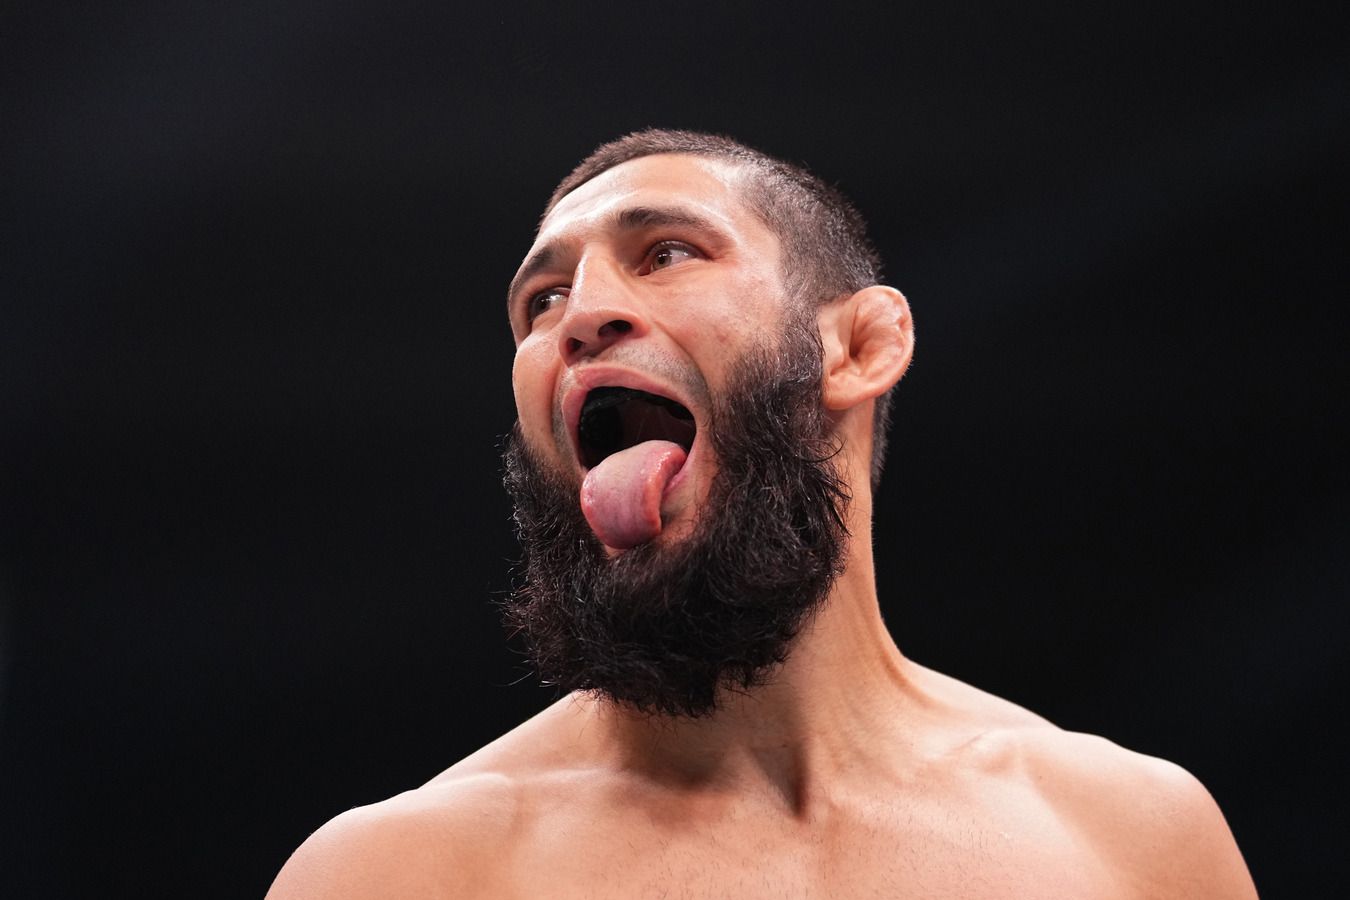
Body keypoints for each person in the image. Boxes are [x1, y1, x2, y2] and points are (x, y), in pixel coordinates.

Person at [268, 130, 1257, 898]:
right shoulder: (398, 875)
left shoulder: (1132, 838)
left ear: (859, 348)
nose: (582, 314)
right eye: (543, 300)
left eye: (666, 252)